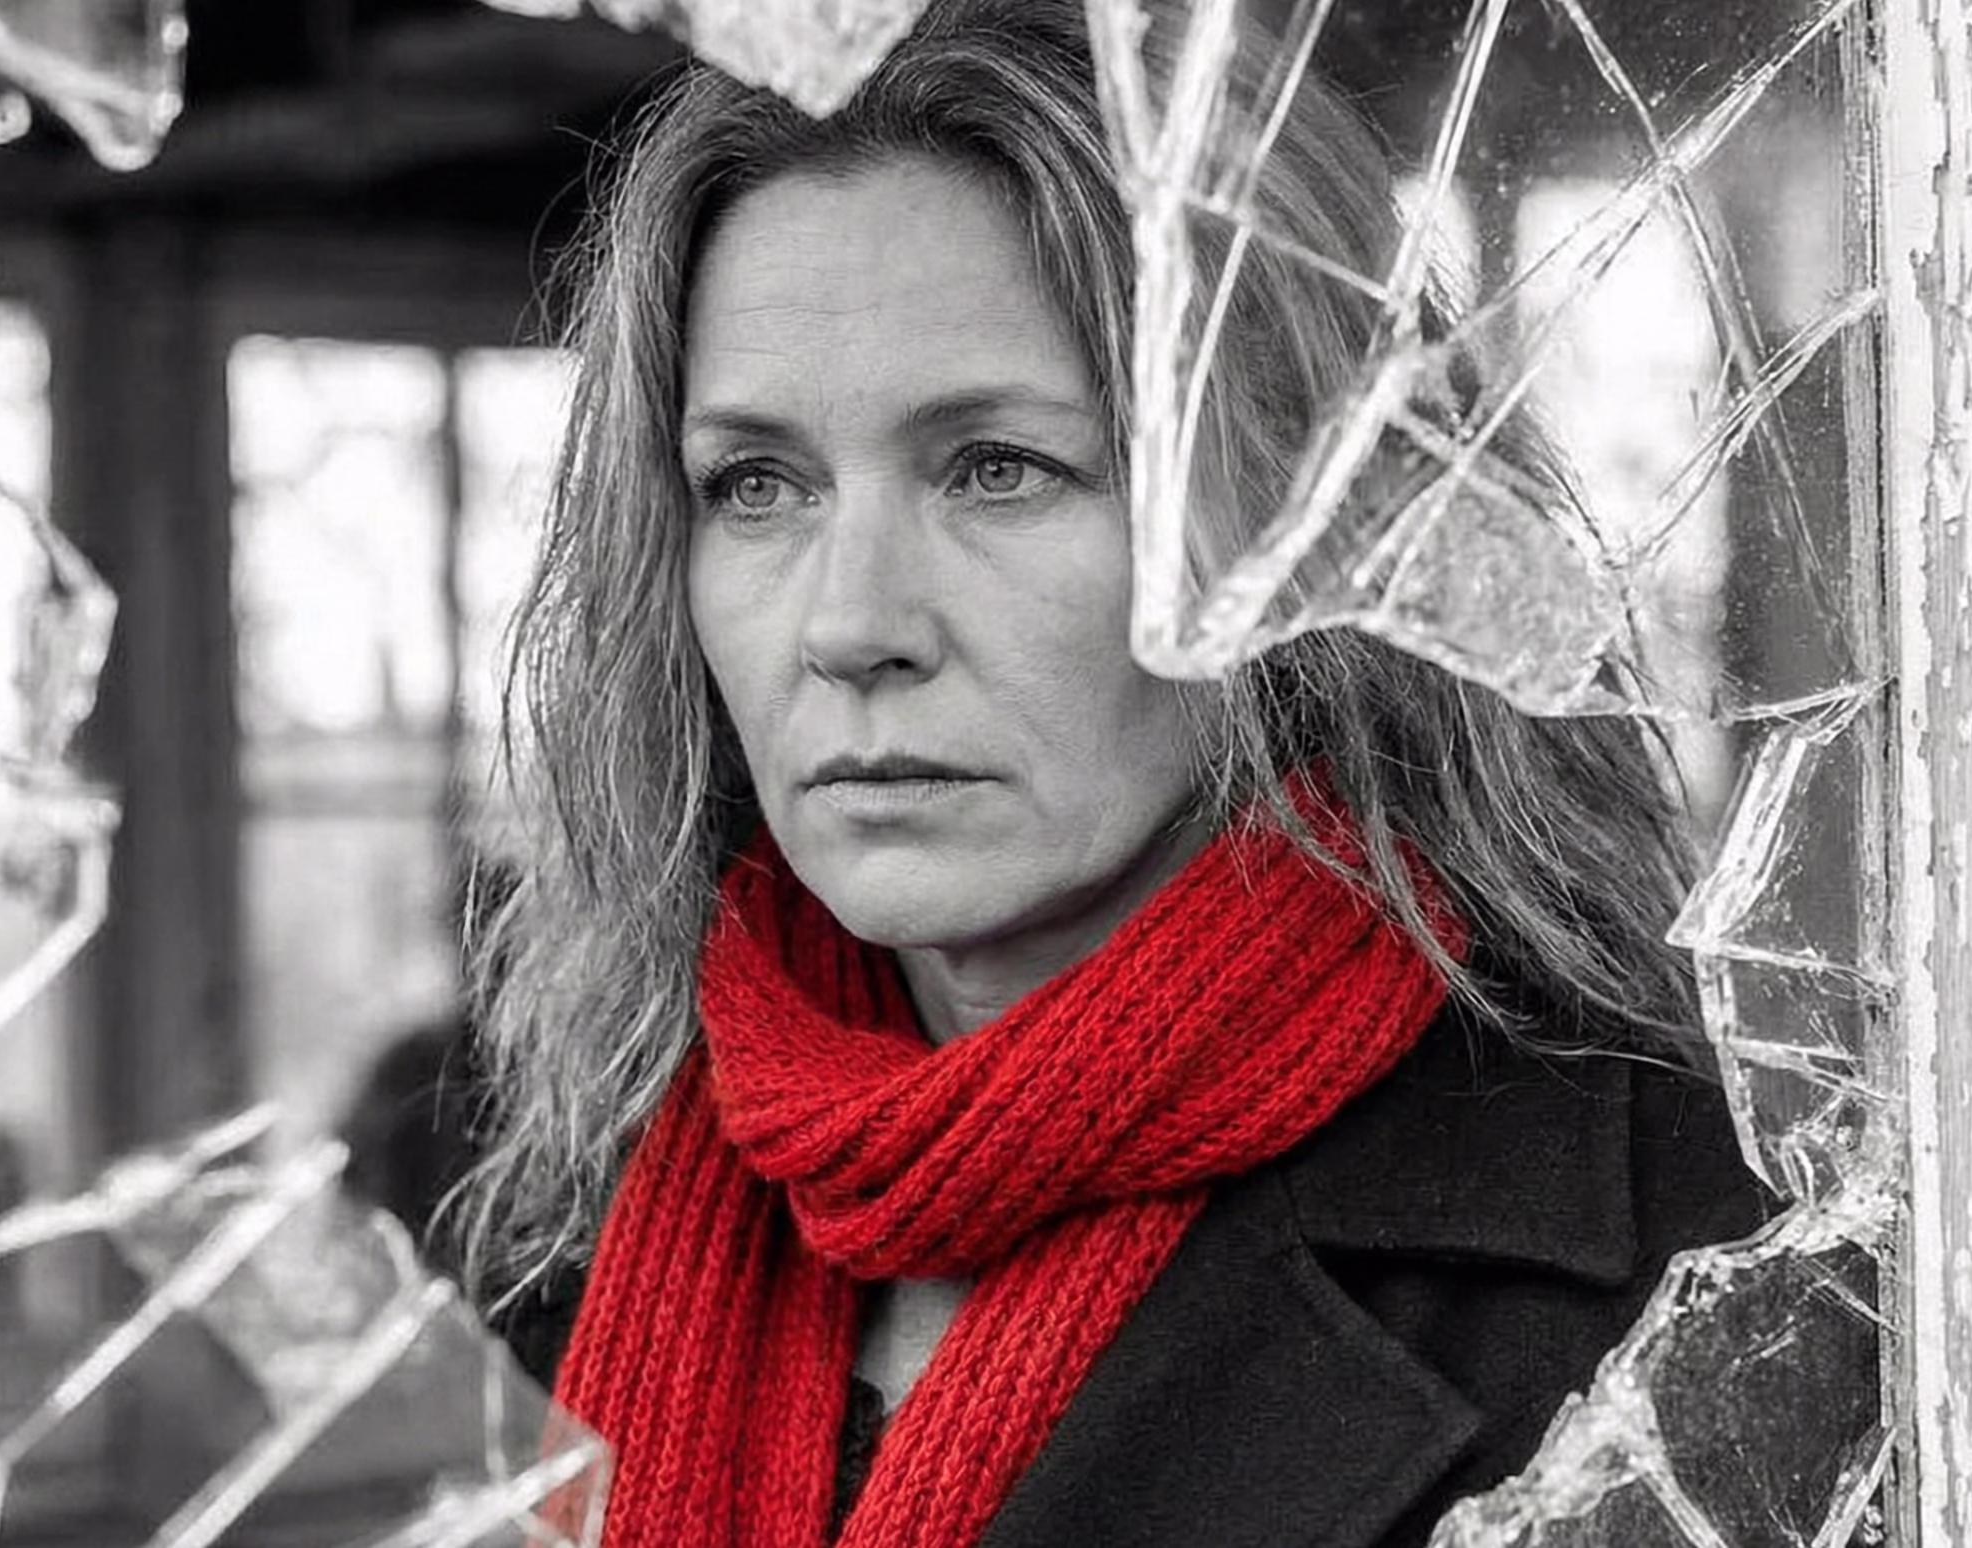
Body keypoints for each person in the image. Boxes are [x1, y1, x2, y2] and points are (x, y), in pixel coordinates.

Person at [448, 3, 1772, 1544]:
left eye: (998, 468)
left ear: (1297, 519)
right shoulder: (565, 1251)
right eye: (757, 485)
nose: (851, 625)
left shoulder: (1684, 1286)